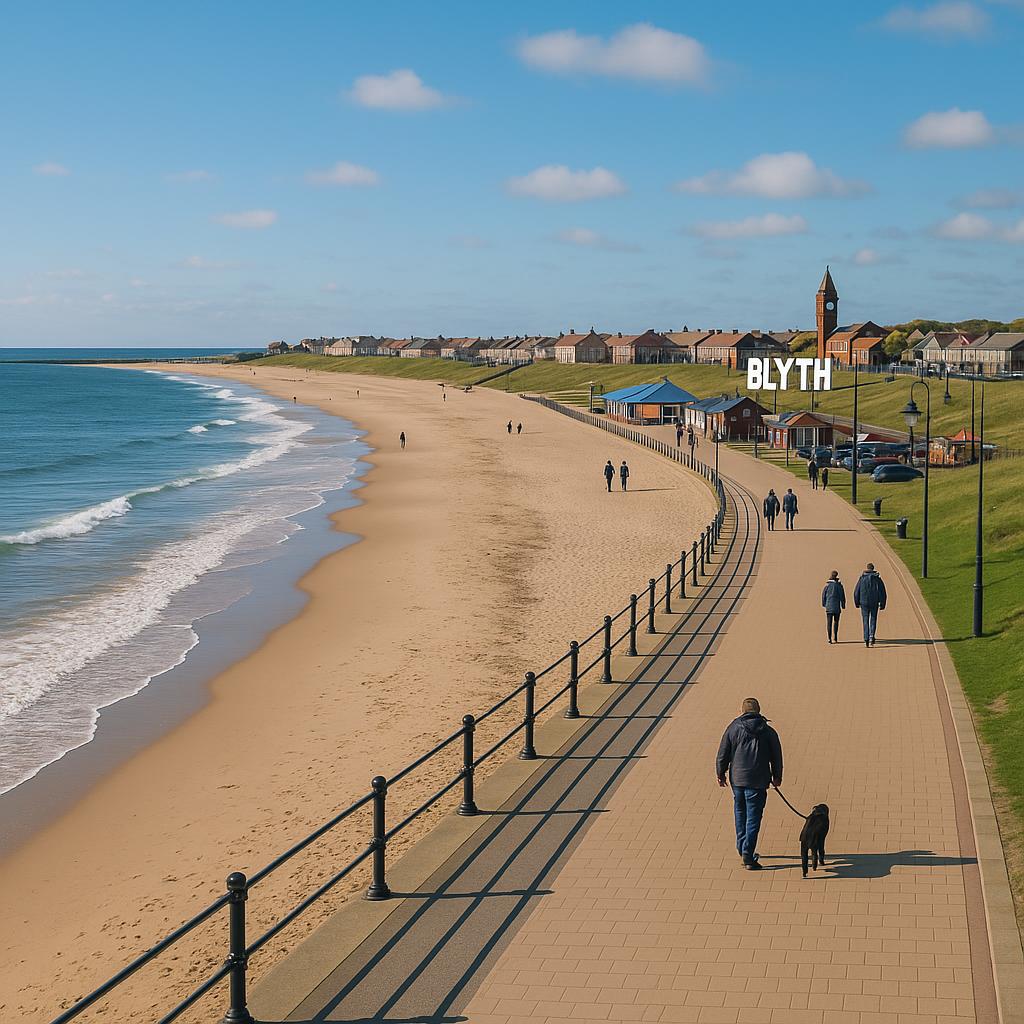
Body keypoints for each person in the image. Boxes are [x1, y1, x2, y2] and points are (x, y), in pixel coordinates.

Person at [716, 697, 783, 870]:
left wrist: (720, 773)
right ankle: (748, 854)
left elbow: (723, 753)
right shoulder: (768, 731)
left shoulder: (733, 728)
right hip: (758, 781)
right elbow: (776, 757)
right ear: (759, 711)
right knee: (753, 818)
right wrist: (777, 776)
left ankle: (742, 847)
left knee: (740, 813)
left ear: (743, 711)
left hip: (738, 780)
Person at [853, 562, 887, 647]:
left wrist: (857, 602)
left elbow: (856, 592)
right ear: (873, 569)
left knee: (865, 620)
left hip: (863, 602)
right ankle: (872, 636)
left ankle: (866, 638)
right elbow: (883, 592)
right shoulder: (877, 579)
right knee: (873, 619)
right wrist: (882, 603)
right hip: (874, 602)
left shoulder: (862, 579)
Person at [822, 569, 846, 644]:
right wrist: (843, 605)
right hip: (836, 607)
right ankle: (835, 637)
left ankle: (829, 638)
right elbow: (842, 596)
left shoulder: (827, 585)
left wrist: (824, 604)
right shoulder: (839, 586)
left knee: (829, 623)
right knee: (836, 622)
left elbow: (823, 596)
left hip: (829, 607)